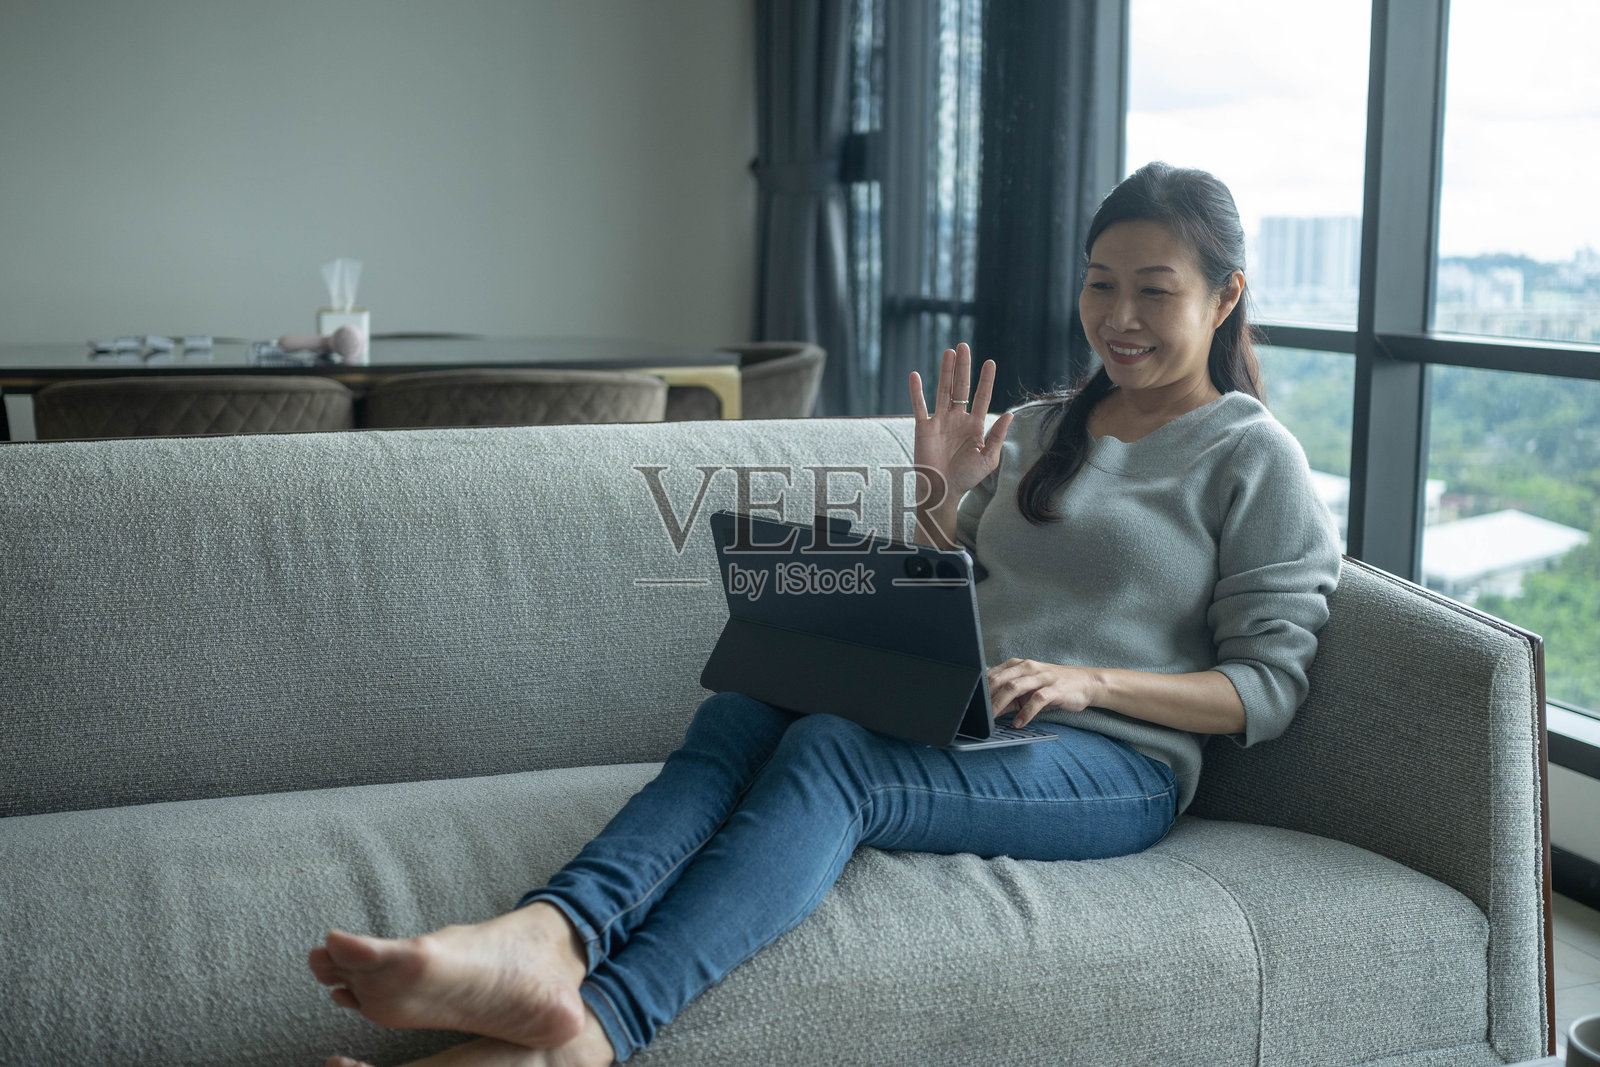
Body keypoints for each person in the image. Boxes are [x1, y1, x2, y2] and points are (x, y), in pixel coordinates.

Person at [307, 161, 1342, 1067]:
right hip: (972, 718)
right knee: (747, 703)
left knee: (833, 752)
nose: (1118, 315)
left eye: (1154, 289)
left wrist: (1088, 680)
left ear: (1225, 296)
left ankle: (593, 1031)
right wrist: (937, 498)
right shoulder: (1036, 429)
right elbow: (953, 592)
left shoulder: (1253, 456)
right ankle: (549, 935)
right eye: (1100, 283)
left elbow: (1266, 688)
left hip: (1115, 764)